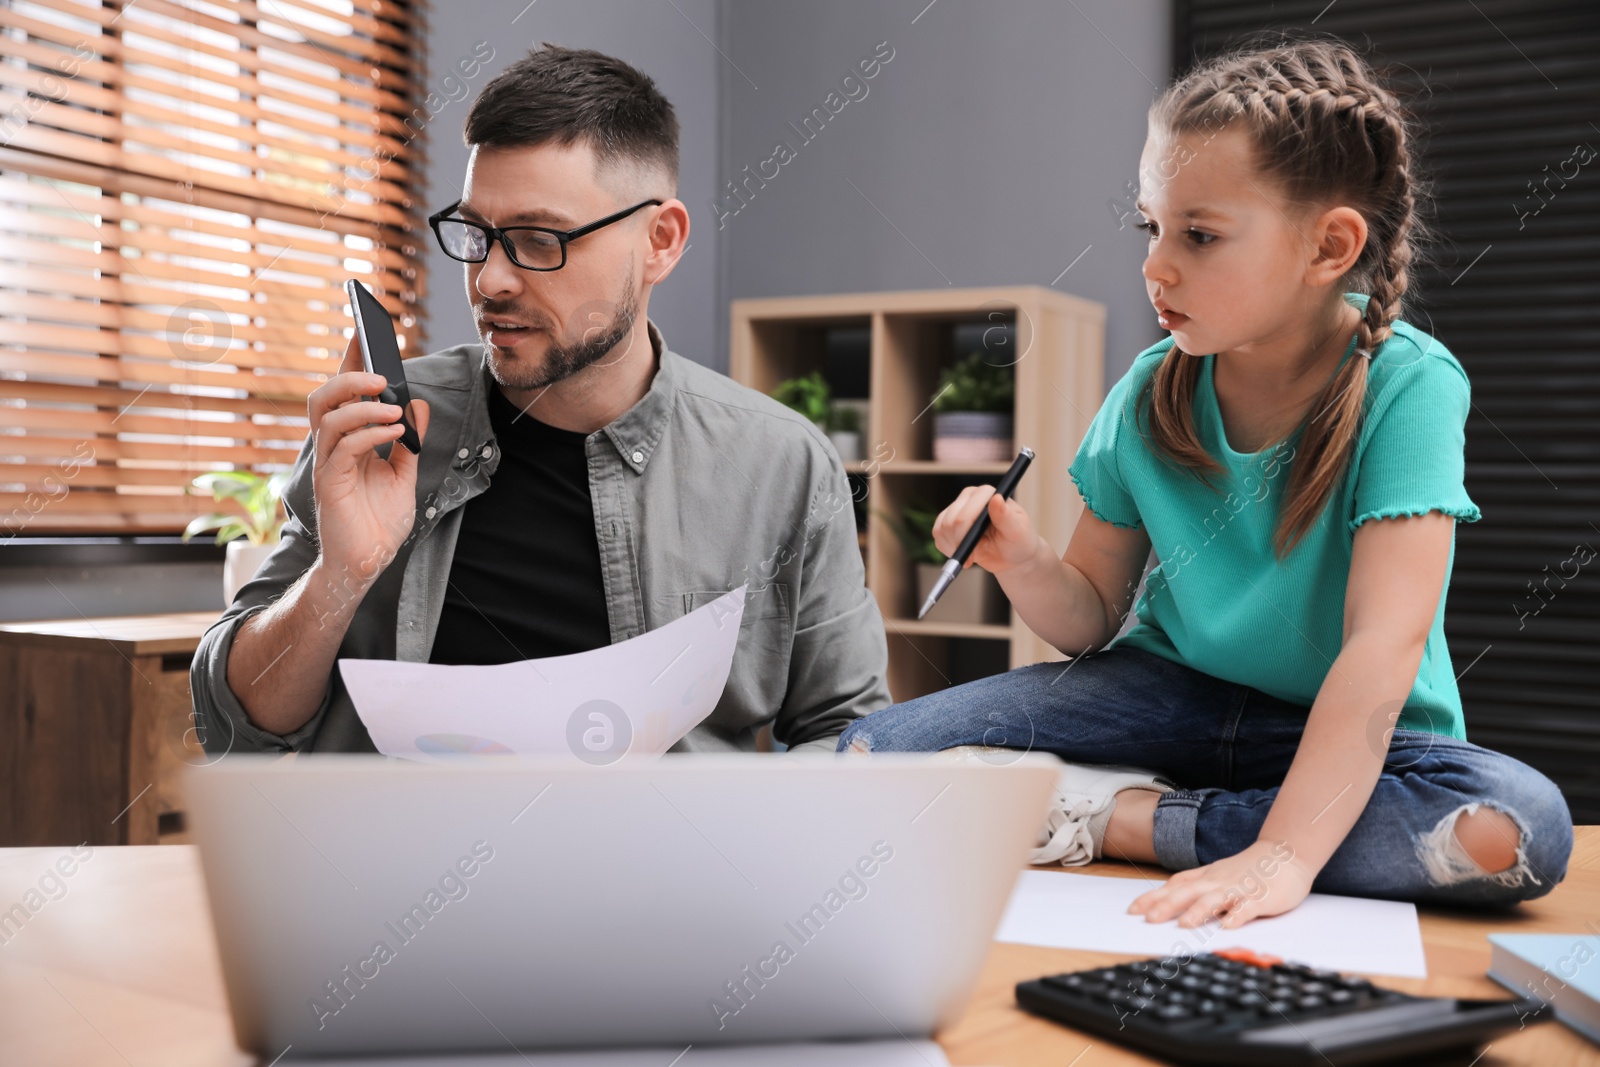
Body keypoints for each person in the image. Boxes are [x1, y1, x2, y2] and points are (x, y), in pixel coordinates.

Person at [837, 36, 1573, 925]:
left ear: (1329, 246)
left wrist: (1286, 854)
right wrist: (1024, 560)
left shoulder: (1409, 385)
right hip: (1163, 702)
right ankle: (1169, 812)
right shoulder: (1148, 389)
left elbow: (1382, 645)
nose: (1156, 266)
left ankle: (1124, 818)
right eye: (1152, 227)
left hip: (1343, 728)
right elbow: (1089, 619)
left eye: (1200, 235)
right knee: (868, 755)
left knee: (1514, 830)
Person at [192, 45, 888, 755]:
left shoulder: (782, 466)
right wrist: (339, 575)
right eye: (478, 235)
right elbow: (233, 722)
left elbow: (845, 734)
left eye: (536, 239)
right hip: (397, 861)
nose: (490, 279)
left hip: (667, 864)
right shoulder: (381, 428)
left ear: (661, 241)